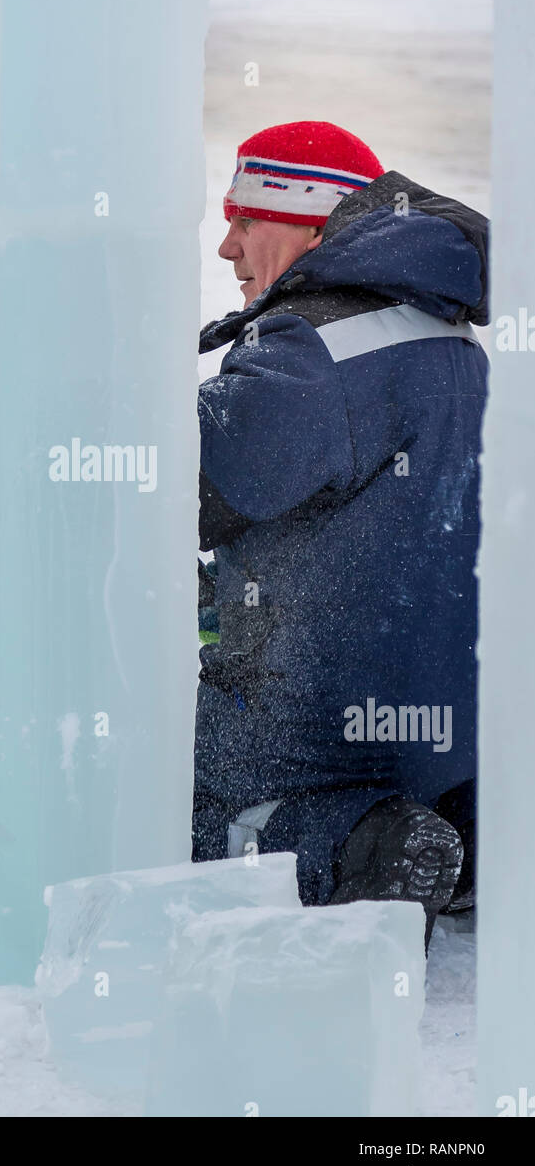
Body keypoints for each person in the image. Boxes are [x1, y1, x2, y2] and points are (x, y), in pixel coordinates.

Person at [193, 120, 487, 938]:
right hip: (445, 718)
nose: (226, 247)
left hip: (317, 727)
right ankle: (466, 834)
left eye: (243, 220)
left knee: (154, 790)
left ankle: (361, 846)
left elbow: (184, 487)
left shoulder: (308, 349)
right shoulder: (449, 336)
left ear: (307, 225)